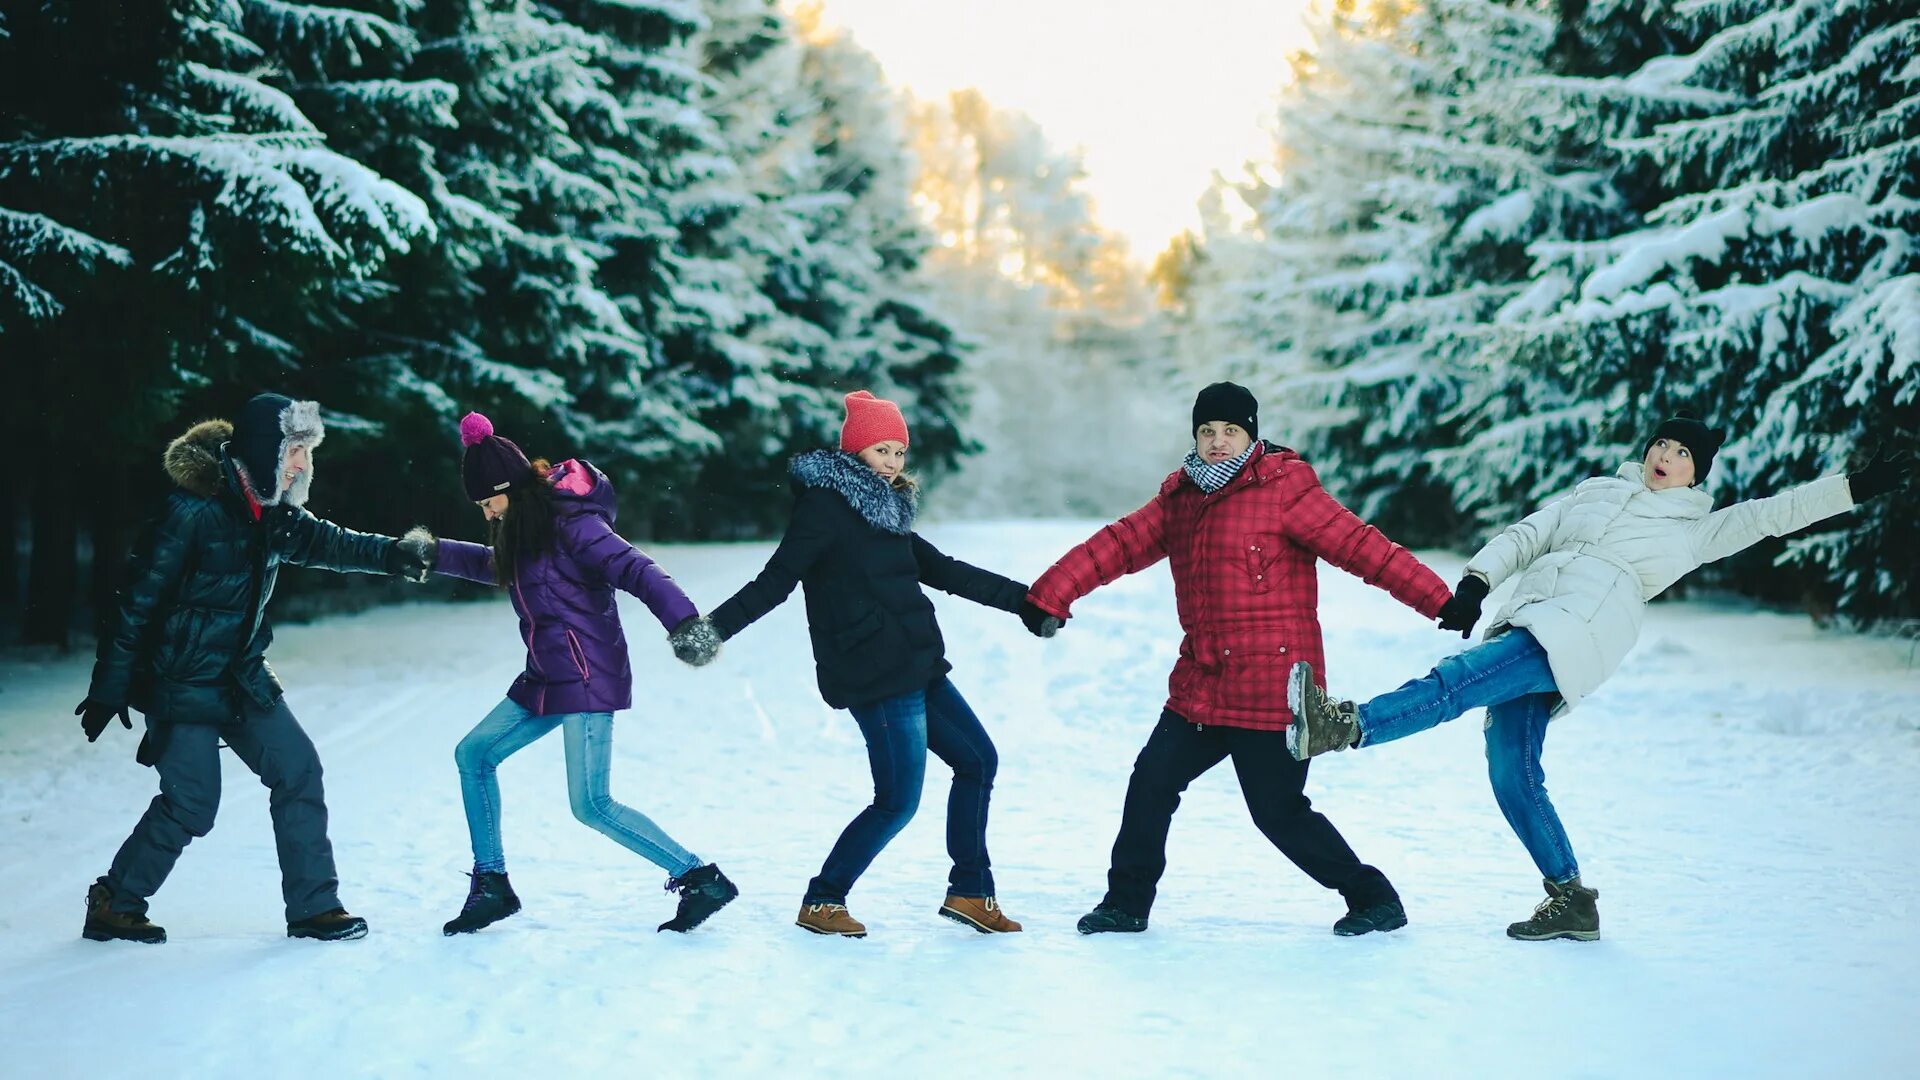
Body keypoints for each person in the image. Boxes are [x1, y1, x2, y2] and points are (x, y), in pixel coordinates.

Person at [1287, 413, 1913, 941]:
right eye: (1661, 445)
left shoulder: (1697, 531)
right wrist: (1478, 581)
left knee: (1454, 683)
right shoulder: (1595, 492)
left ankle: (1346, 725)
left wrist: (1859, 485)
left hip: (1575, 635)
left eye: (1682, 453)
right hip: (1526, 620)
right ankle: (1571, 899)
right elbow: (1531, 533)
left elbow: (1778, 513)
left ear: (1699, 472)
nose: (1665, 456)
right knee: (1513, 772)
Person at [1024, 381, 1455, 938]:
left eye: (1231, 431)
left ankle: (1372, 897)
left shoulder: (1286, 489)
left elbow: (1361, 547)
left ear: (1251, 434)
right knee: (1151, 782)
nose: (1218, 442)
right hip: (1203, 686)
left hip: (1273, 691)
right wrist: (1050, 594)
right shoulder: (1179, 500)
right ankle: (1125, 903)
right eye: (1207, 431)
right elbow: (1117, 545)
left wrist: (1438, 599)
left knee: (1278, 814)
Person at [691, 390, 1054, 937]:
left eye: (899, 452)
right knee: (897, 801)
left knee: (978, 761)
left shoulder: (888, 510)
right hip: (873, 674)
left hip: (918, 664)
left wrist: (1028, 601)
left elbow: (946, 570)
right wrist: (711, 630)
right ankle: (823, 899)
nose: (892, 462)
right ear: (855, 451)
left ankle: (971, 892)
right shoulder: (824, 509)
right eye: (881, 450)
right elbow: (775, 582)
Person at [76, 393, 434, 944]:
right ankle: (114, 903)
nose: (300, 464)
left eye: (305, 454)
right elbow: (138, 601)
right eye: (294, 451)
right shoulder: (192, 510)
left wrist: (392, 554)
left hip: (241, 676)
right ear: (267, 449)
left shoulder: (272, 511)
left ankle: (315, 908)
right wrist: (110, 687)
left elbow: (326, 541)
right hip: (182, 681)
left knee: (298, 770)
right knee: (192, 805)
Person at [414, 412, 737, 936]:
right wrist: (434, 553)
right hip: (546, 676)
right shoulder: (520, 528)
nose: (487, 513)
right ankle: (492, 883)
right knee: (473, 754)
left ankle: (699, 877)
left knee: (591, 804)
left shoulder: (573, 524)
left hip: (586, 677)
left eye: (488, 501)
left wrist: (685, 624)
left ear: (509, 489)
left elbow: (636, 568)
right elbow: (491, 565)